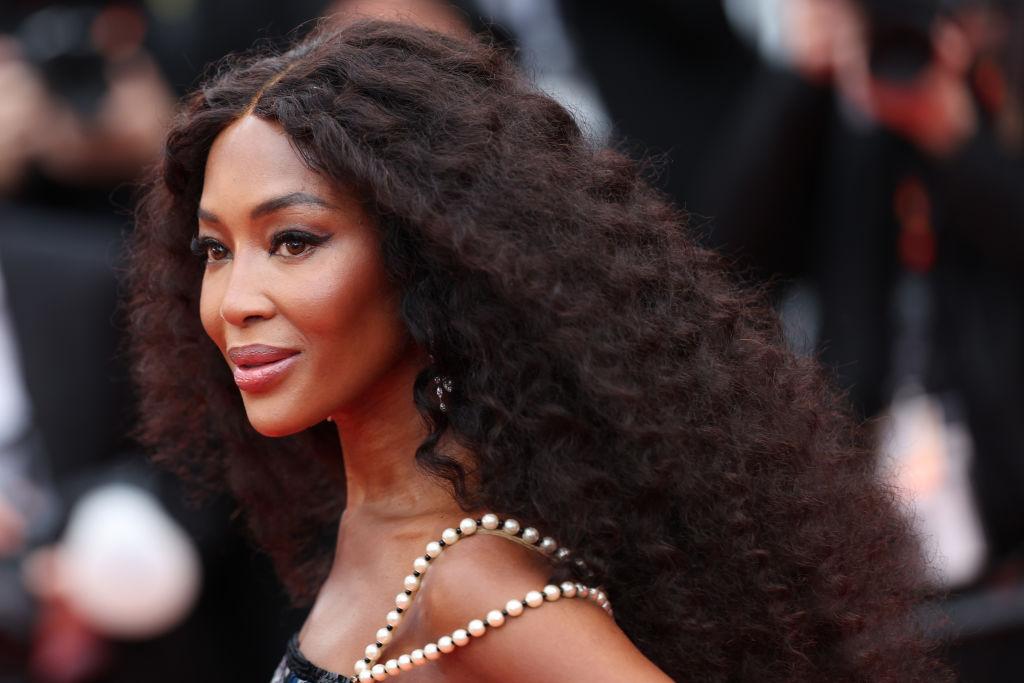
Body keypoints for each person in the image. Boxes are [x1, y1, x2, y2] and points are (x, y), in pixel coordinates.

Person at [124, 19, 946, 682]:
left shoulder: (473, 582)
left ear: (427, 256)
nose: (234, 301)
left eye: (294, 241)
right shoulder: (380, 523)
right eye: (215, 250)